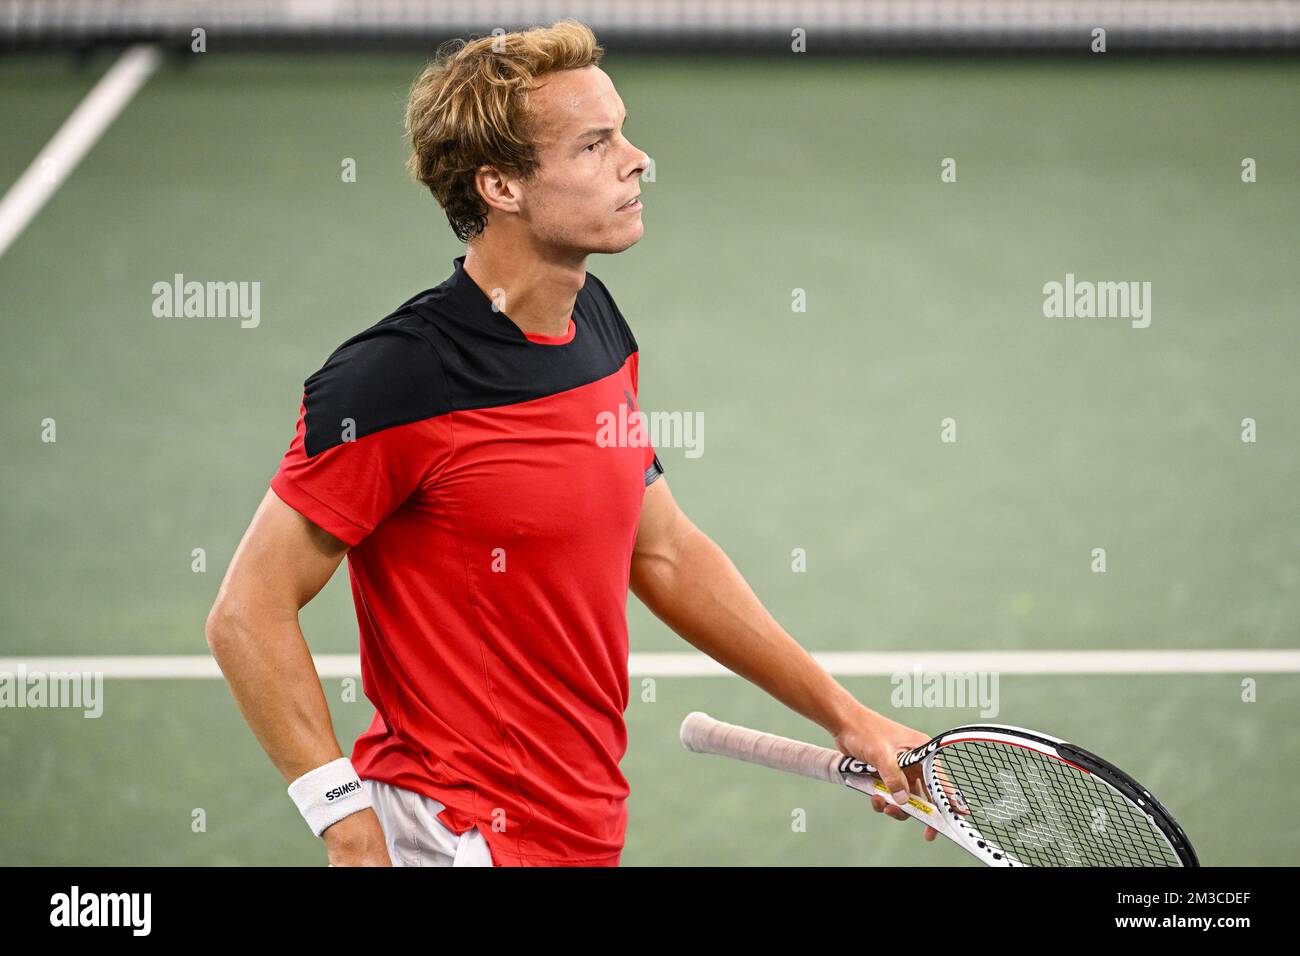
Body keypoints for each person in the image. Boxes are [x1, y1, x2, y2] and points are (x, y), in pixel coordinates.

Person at [205, 18, 936, 867]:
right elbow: (246, 613)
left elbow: (661, 550)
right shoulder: (395, 379)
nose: (636, 159)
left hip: (578, 826)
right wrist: (346, 822)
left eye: (621, 132)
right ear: (501, 186)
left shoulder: (594, 322)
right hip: (459, 833)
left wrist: (847, 715)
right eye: (595, 145)